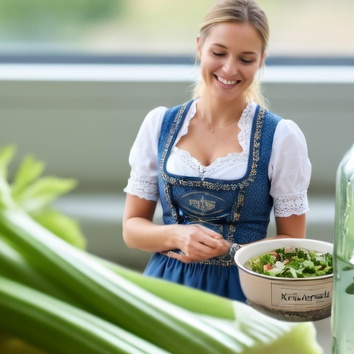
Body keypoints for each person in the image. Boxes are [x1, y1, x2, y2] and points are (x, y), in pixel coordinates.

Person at [122, 0, 311, 301]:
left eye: (246, 59)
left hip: (242, 294)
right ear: (199, 47)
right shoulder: (160, 124)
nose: (229, 69)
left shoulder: (281, 137)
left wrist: (231, 250)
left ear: (261, 60)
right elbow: (132, 230)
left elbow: (293, 241)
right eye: (218, 53)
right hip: (164, 289)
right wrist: (177, 235)